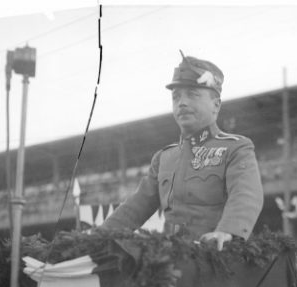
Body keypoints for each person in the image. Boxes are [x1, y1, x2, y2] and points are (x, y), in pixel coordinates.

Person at [102, 52, 264, 250]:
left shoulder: (236, 147)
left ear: (216, 105)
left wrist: (228, 231)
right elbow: (136, 207)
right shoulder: (164, 158)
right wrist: (98, 235)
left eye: (193, 95)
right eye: (176, 97)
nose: (182, 103)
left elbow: (246, 194)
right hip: (173, 259)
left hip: (219, 256)